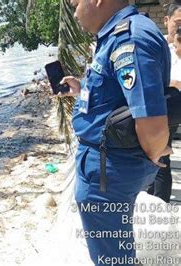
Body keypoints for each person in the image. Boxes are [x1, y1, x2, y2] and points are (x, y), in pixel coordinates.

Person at [60, 1, 171, 264]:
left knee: (111, 257)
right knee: (114, 245)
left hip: (108, 172)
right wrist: (80, 88)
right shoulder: (114, 35)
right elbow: (116, 92)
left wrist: (153, 152)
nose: (74, 11)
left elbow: (153, 124)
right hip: (107, 165)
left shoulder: (129, 38)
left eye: (76, 2)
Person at [146, 4, 181, 203]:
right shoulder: (157, 46)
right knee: (157, 156)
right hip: (158, 106)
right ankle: (154, 199)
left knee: (160, 156)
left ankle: (159, 202)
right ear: (166, 21)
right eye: (178, 23)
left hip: (172, 107)